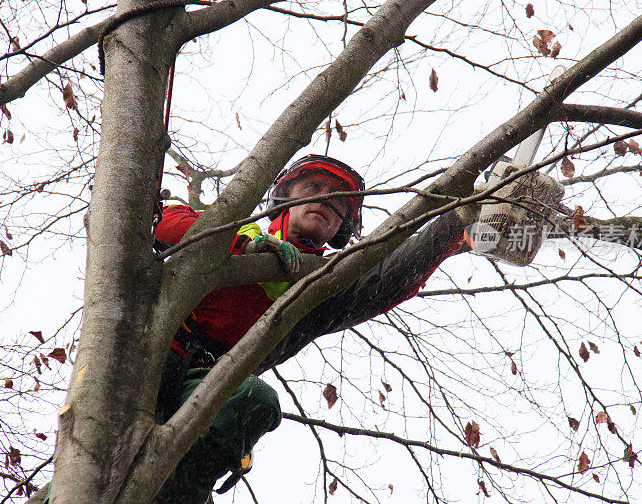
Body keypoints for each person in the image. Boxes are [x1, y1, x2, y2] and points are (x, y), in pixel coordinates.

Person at [152, 154, 472, 503]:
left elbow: (388, 279)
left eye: (337, 201)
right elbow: (165, 221)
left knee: (255, 400)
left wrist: (457, 222)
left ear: (342, 227)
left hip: (212, 386)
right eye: (313, 188)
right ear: (286, 198)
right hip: (155, 356)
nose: (324, 199)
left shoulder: (323, 288)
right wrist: (244, 246)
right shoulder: (239, 230)